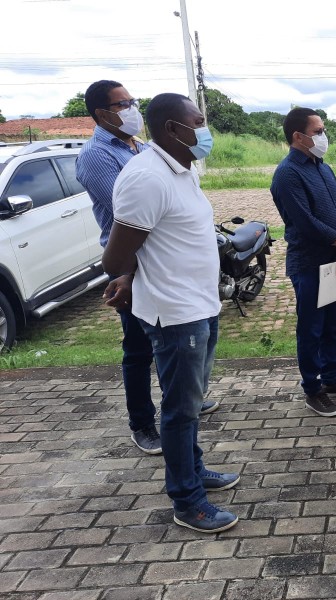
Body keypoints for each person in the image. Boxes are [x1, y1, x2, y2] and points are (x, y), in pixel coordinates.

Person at [102, 93, 239, 533]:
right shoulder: (147, 178)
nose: (205, 130)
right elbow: (117, 254)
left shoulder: (181, 169)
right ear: (172, 130)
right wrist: (125, 276)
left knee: (191, 404)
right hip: (175, 314)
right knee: (180, 411)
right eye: (198, 121)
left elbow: (163, 239)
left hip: (199, 304)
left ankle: (194, 472)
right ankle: (188, 502)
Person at [76, 80, 218, 456]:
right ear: (101, 114)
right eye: (122, 105)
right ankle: (144, 425)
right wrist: (128, 274)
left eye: (132, 101)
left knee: (182, 391)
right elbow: (135, 225)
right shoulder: (111, 161)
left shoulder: (155, 154)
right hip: (140, 271)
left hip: (181, 284)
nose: (131, 109)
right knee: (141, 354)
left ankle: (192, 458)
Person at [270, 107, 336, 417]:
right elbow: (305, 223)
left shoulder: (322, 167)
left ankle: (332, 377)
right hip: (309, 264)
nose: (324, 136)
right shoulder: (287, 174)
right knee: (311, 329)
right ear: (298, 137)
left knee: (333, 323)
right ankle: (313, 389)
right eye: (318, 131)